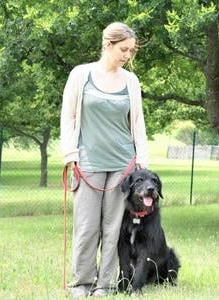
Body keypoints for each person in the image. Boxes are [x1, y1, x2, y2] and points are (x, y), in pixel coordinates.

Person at [60, 22, 149, 297]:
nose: (127, 55)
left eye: (131, 51)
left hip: (123, 163)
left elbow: (137, 122)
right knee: (86, 227)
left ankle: (105, 285)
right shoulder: (81, 75)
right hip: (87, 162)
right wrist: (70, 154)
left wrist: (141, 161)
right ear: (108, 44)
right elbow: (69, 116)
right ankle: (82, 283)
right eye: (123, 49)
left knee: (113, 228)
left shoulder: (131, 81)